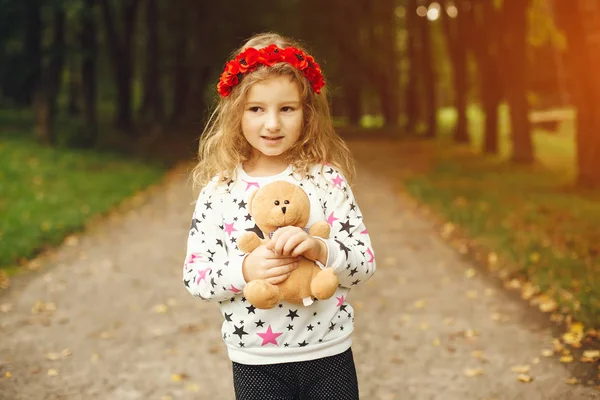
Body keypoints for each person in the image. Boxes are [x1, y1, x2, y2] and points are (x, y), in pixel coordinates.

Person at [182, 32, 376, 400]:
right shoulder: (220, 191)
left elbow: (364, 263)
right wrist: (245, 270)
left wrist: (321, 249)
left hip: (329, 353)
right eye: (256, 109)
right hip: (255, 361)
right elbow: (195, 277)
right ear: (236, 111)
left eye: (286, 108)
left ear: (307, 112)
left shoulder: (325, 181)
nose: (272, 123)